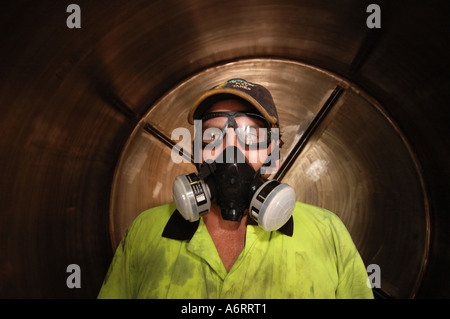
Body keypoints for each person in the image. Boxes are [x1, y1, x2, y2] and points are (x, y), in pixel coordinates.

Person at [98, 78, 374, 299]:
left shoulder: (326, 231)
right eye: (212, 135)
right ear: (195, 149)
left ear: (272, 150)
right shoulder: (146, 230)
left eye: (250, 136)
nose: (230, 152)